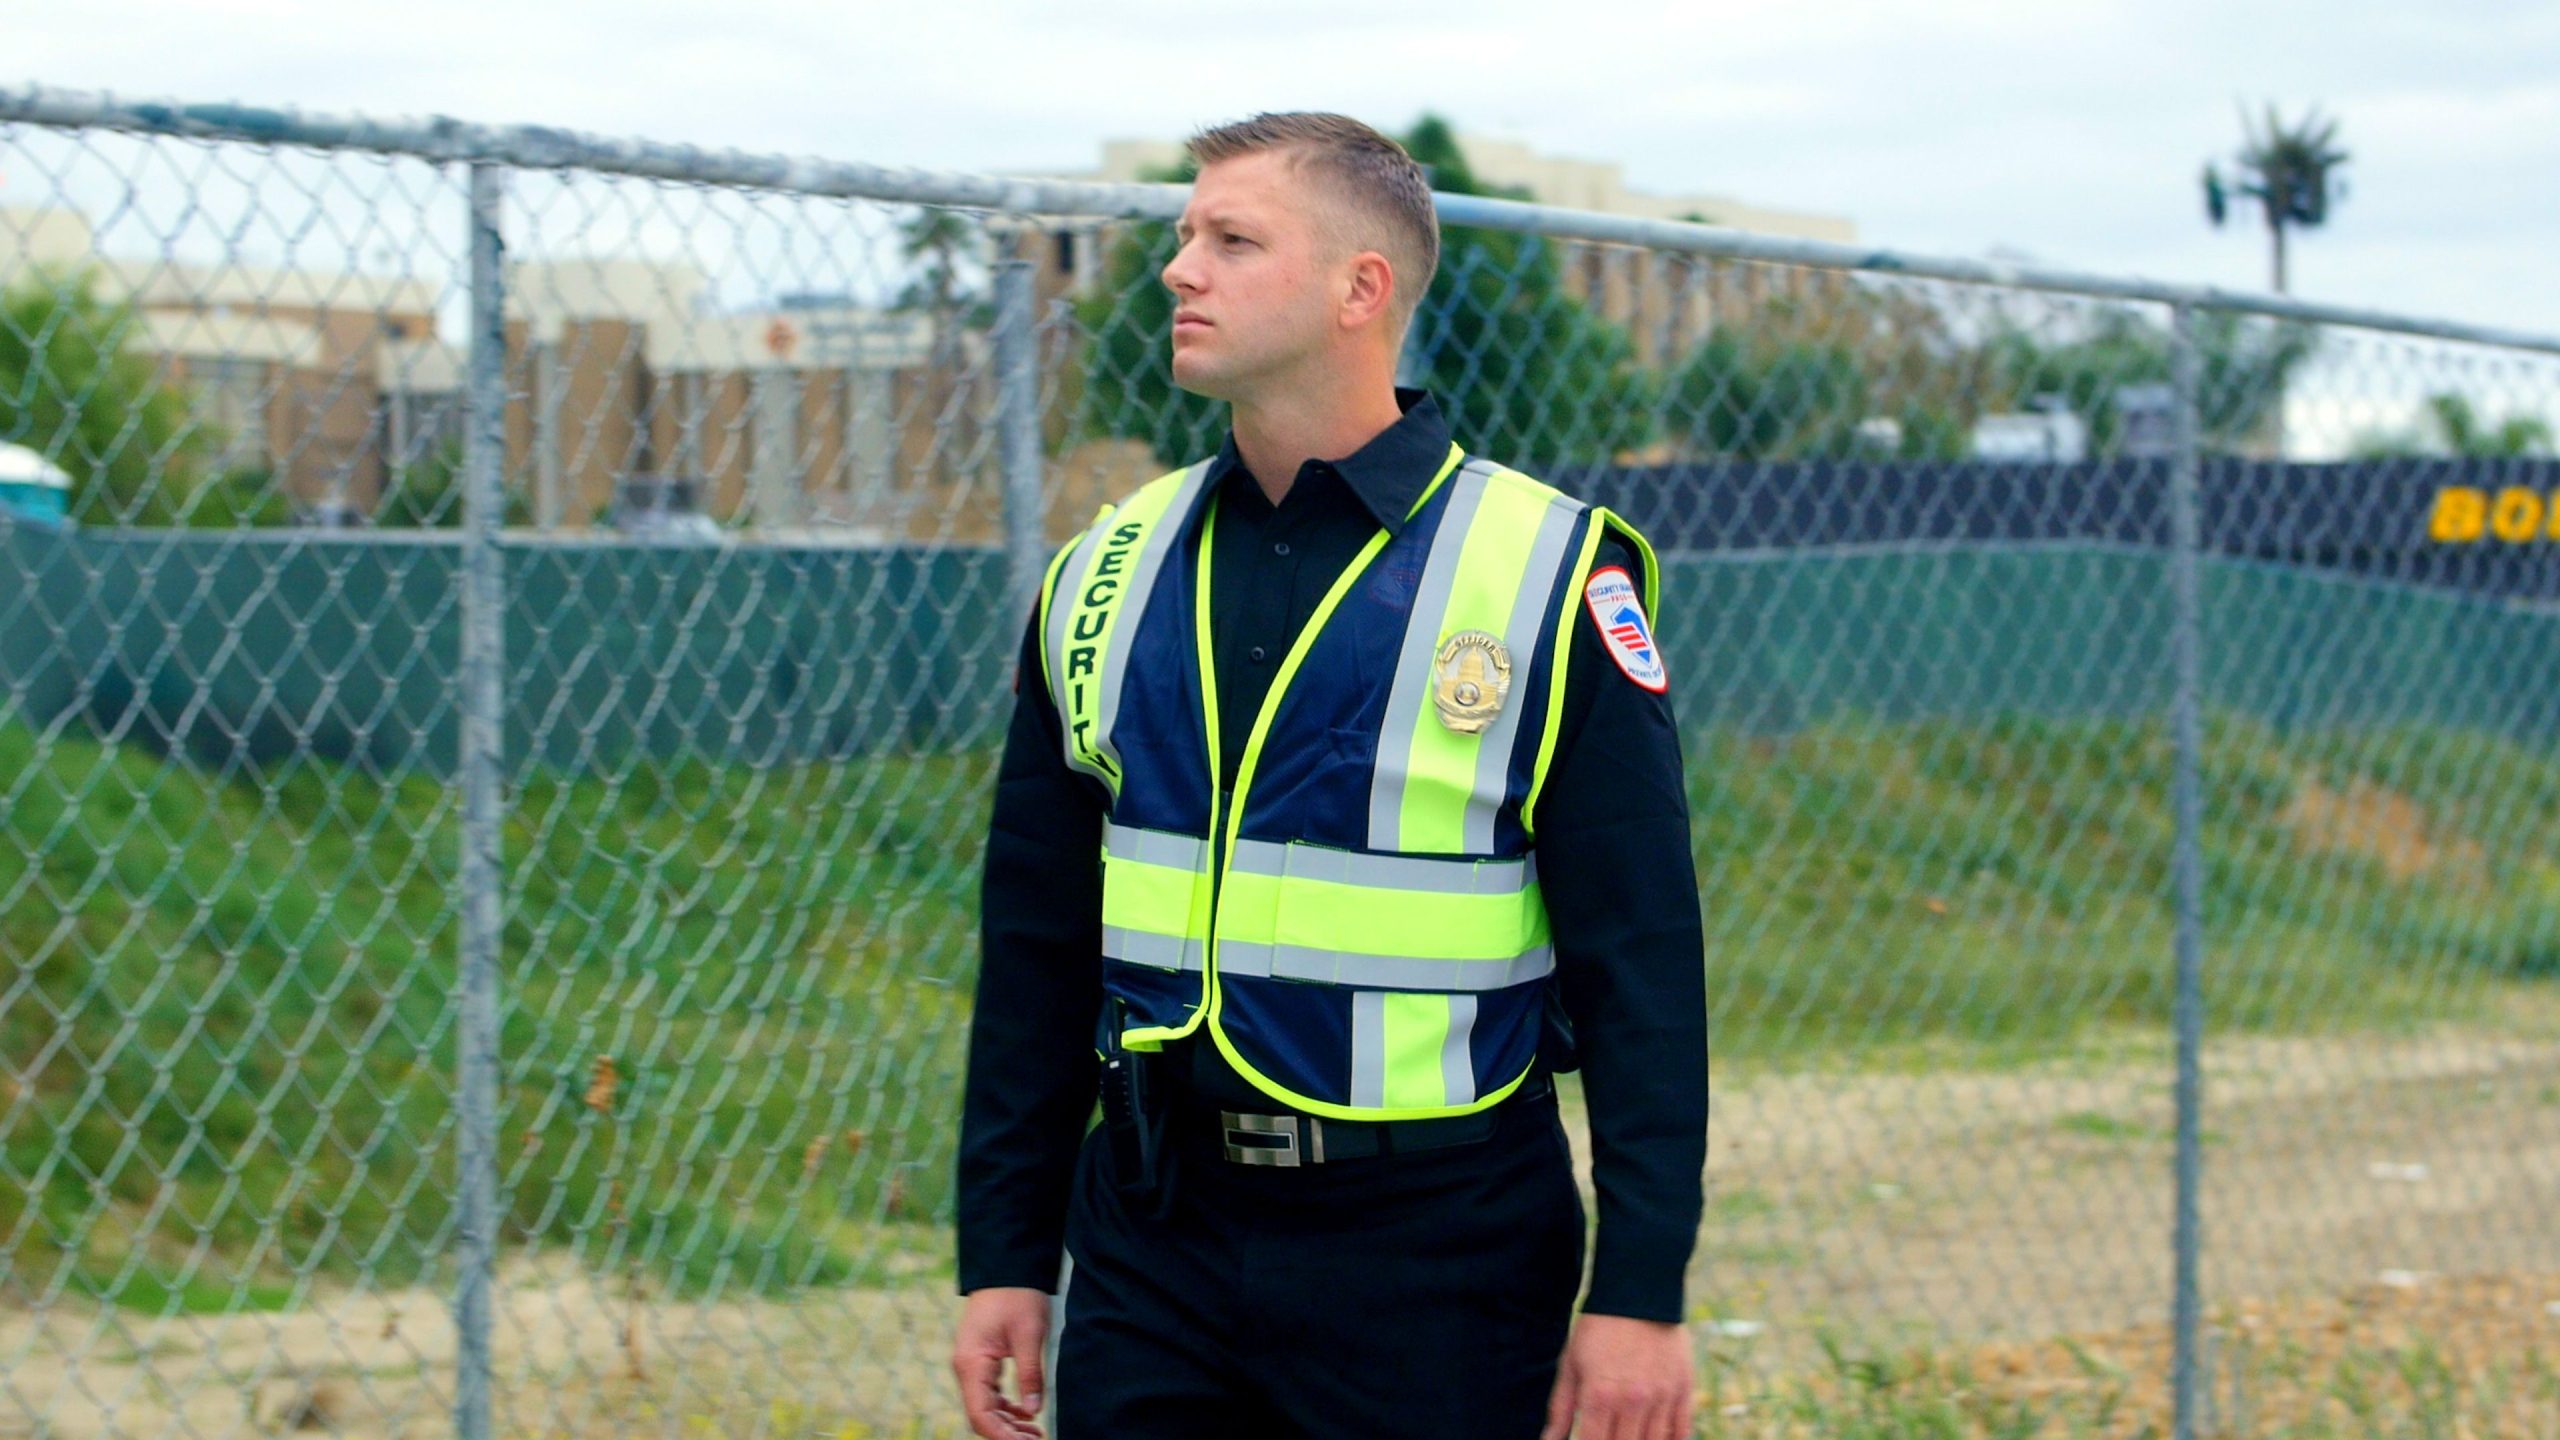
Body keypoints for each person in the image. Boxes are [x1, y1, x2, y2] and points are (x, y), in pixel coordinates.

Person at [950, 112, 1706, 1440]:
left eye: (1233, 241)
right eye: (1185, 234)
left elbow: (1640, 958)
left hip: (1440, 1255)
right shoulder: (1107, 568)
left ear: (1362, 289)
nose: (1179, 268)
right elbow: (1036, 940)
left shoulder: (1546, 571)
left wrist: (1640, 1291)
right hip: (1151, 1237)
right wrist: (1005, 1252)